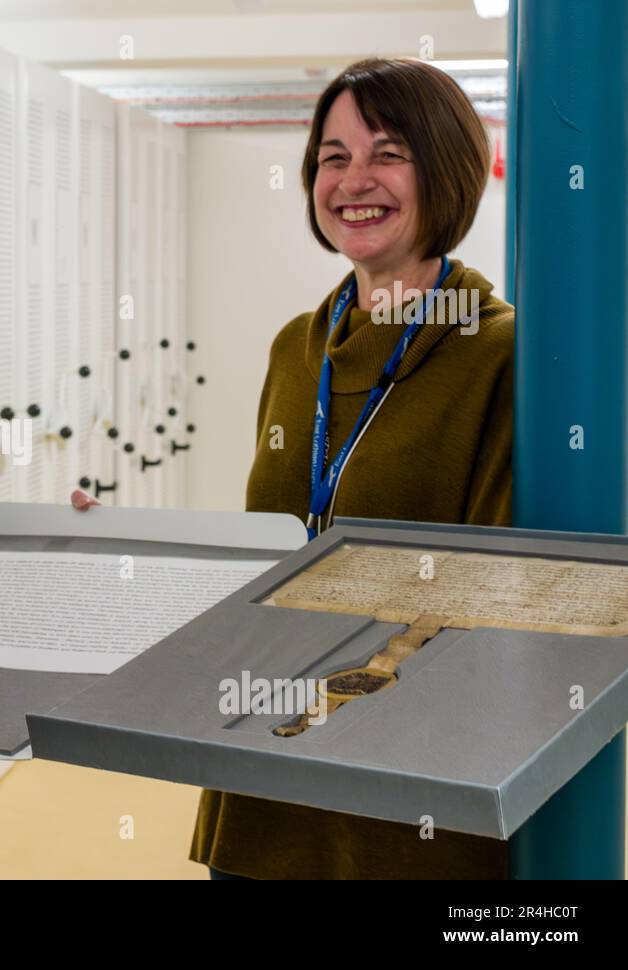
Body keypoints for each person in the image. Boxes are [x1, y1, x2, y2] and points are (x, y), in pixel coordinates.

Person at [73, 57, 514, 879]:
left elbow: (499, 604)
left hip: (404, 795)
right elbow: (271, 551)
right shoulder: (298, 346)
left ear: (448, 169)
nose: (354, 180)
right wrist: (130, 557)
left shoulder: (497, 353)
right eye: (332, 156)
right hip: (261, 782)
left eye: (388, 153)